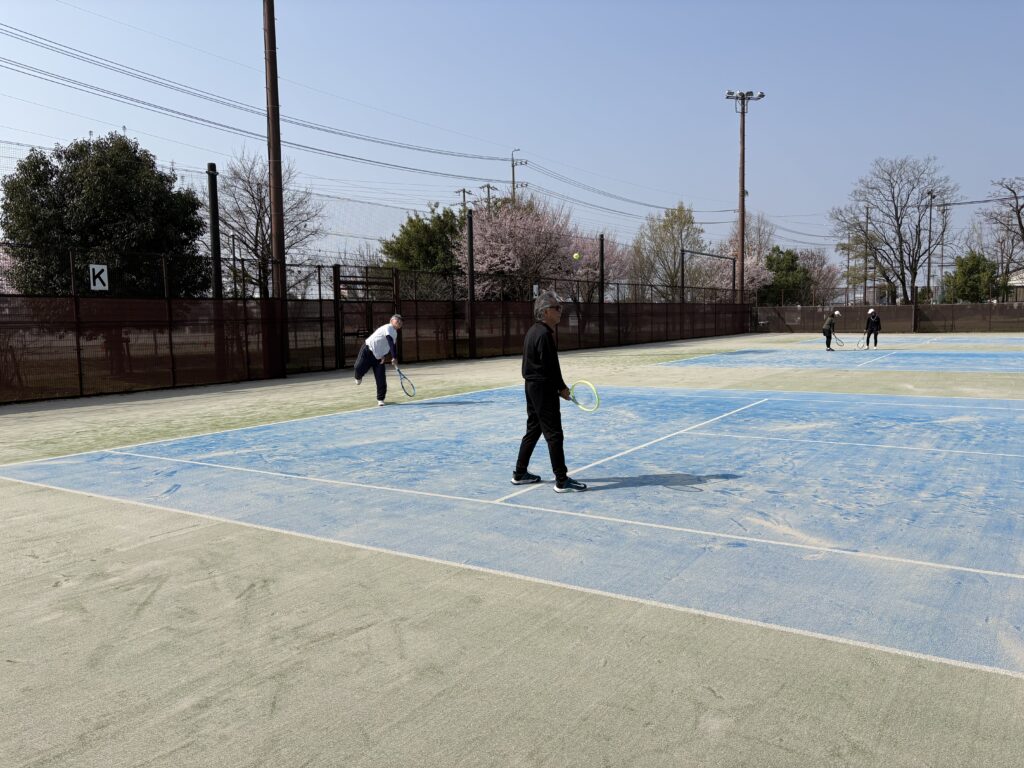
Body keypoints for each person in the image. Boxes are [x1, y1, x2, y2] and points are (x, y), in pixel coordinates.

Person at [512, 290, 587, 493]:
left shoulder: (533, 331)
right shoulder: (544, 334)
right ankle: (561, 480)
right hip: (543, 389)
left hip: (532, 388)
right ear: (545, 312)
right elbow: (550, 367)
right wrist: (561, 388)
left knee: (534, 429)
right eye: (556, 308)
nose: (560, 311)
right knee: (554, 434)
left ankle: (520, 473)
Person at [354, 314, 402, 406]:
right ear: (391, 321)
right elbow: (390, 341)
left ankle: (380, 399)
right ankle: (358, 376)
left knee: (381, 378)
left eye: (401, 321)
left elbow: (391, 346)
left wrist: (384, 355)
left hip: (379, 357)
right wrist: (394, 357)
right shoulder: (388, 327)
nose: (399, 322)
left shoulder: (395, 334)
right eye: (397, 320)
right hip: (368, 350)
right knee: (358, 367)